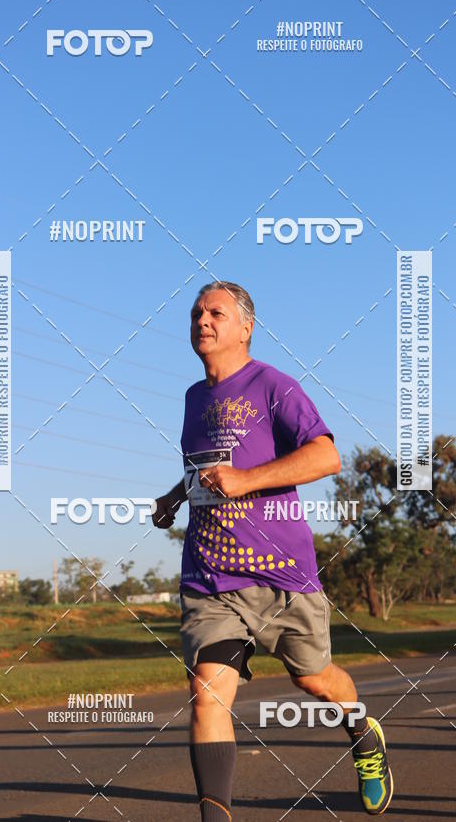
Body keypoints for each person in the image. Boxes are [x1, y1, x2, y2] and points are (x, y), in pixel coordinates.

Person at [153, 281, 393, 819]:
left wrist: (246, 481)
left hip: (282, 575)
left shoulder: (272, 385)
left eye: (216, 312)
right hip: (211, 577)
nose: (202, 320)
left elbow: (326, 457)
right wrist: (175, 496)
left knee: (313, 679)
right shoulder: (194, 397)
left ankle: (361, 730)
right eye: (196, 312)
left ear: (246, 327)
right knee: (206, 696)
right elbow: (207, 466)